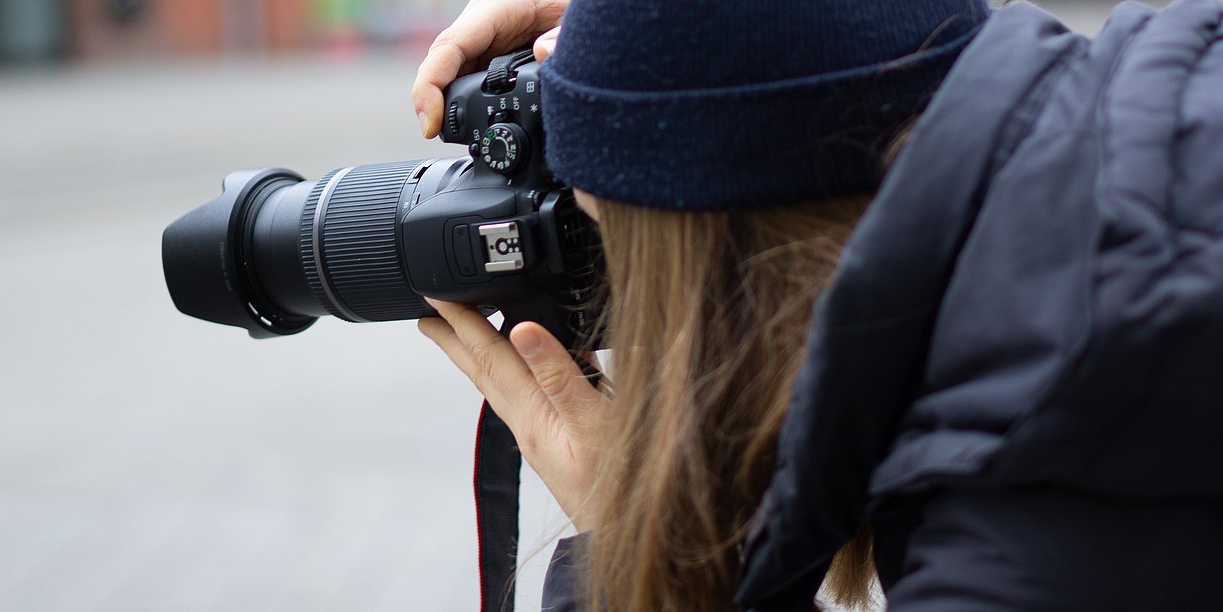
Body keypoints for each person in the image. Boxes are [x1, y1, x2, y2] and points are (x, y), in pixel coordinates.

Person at [415, 0, 1223, 610]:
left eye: (606, 234)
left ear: (735, 276)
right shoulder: (1180, 97)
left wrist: (636, 557)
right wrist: (679, 33)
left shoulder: (1027, 536)